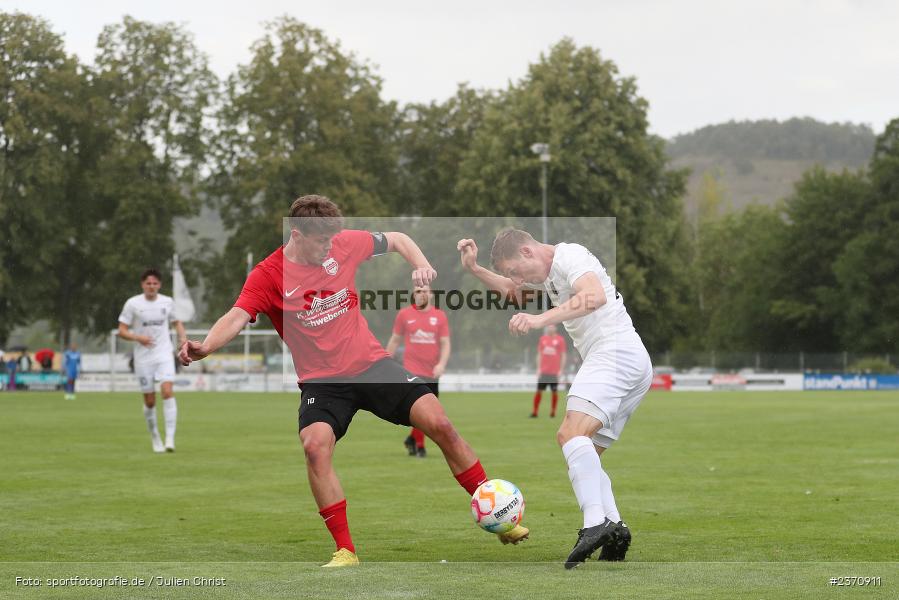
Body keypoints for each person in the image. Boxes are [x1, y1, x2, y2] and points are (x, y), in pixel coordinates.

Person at [178, 195, 527, 568]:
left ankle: (499, 517)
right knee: (314, 447)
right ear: (297, 234)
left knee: (440, 422)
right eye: (321, 241)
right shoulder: (268, 275)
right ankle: (345, 550)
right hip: (323, 383)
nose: (330, 246)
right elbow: (237, 315)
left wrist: (421, 263)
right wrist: (207, 347)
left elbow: (397, 239)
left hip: (371, 364)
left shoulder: (343, 242)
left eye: (332, 239)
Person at [458, 228, 652, 568]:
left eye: (515, 270)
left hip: (614, 351)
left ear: (528, 252)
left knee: (569, 434)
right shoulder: (546, 276)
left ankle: (595, 524)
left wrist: (539, 319)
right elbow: (511, 292)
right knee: (585, 453)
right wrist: (474, 268)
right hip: (630, 360)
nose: (515, 279)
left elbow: (593, 295)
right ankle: (616, 528)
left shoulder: (570, 256)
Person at [117, 268, 187, 453]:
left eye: (155, 283)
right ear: (142, 284)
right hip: (143, 358)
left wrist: (182, 339)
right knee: (149, 401)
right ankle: (155, 436)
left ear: (160, 285)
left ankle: (170, 439)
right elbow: (122, 330)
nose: (151, 286)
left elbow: (176, 322)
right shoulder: (132, 304)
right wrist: (138, 338)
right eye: (148, 283)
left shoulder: (167, 302)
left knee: (167, 391)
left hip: (164, 354)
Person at [385, 284, 451, 458]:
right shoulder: (404, 315)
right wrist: (384, 362)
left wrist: (442, 364)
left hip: (432, 372)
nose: (421, 294)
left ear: (431, 294)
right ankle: (420, 447)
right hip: (411, 369)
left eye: (425, 291)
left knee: (430, 410)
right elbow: (395, 340)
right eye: (418, 291)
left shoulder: (440, 316)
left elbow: (445, 343)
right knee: (421, 410)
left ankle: (411, 440)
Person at [532, 324, 566, 418]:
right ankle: (535, 412)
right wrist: (538, 368)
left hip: (554, 372)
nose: (550, 328)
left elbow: (563, 355)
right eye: (548, 327)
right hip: (543, 371)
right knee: (539, 391)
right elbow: (539, 354)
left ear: (555, 328)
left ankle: (553, 412)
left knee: (554, 392)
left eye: (552, 327)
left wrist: (561, 370)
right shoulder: (542, 339)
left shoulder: (560, 340)